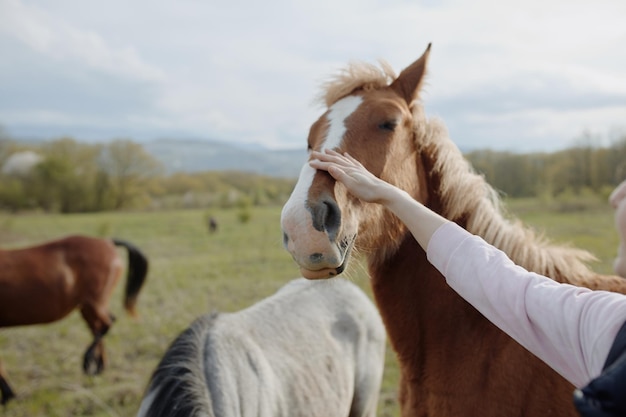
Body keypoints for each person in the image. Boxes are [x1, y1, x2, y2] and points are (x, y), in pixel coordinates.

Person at [309, 149, 626, 417]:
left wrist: (393, 197)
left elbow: (506, 288)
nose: (616, 197)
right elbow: (499, 282)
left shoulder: (608, 325)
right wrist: (392, 196)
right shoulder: (610, 325)